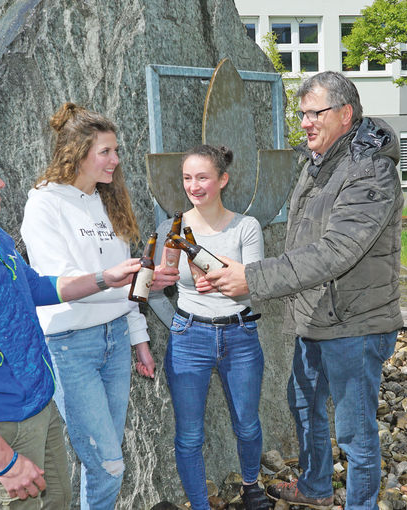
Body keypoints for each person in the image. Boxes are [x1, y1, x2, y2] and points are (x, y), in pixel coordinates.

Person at [0, 127, 143, 510]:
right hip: (0, 424)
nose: (1, 182)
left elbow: (33, 288)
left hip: (39, 403)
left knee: (59, 500)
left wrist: (103, 279)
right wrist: (4, 460)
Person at [205, 71, 403, 510]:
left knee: (355, 433)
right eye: (302, 114)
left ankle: (361, 504)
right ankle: (315, 487)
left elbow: (336, 251)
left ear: (345, 113)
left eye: (315, 113)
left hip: (355, 324)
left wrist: (253, 278)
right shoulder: (321, 162)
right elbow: (304, 241)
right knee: (303, 403)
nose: (305, 123)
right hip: (315, 318)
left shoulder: (370, 171)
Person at [20, 103, 178, 510]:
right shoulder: (44, 202)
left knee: (102, 461)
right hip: (71, 344)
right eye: (106, 151)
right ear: (76, 152)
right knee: (109, 463)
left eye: (116, 150)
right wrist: (116, 277)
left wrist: (139, 337)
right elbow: (60, 283)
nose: (116, 160)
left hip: (116, 339)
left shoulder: (108, 200)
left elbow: (126, 282)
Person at [154, 145, 270, 510]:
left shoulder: (245, 227)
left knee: (247, 424)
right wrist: (174, 318)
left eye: (203, 177)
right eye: (187, 178)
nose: (194, 185)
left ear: (223, 180)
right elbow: (157, 288)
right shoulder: (171, 229)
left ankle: (252, 486)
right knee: (189, 436)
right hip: (190, 339)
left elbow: (254, 280)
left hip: (240, 336)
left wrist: (217, 274)